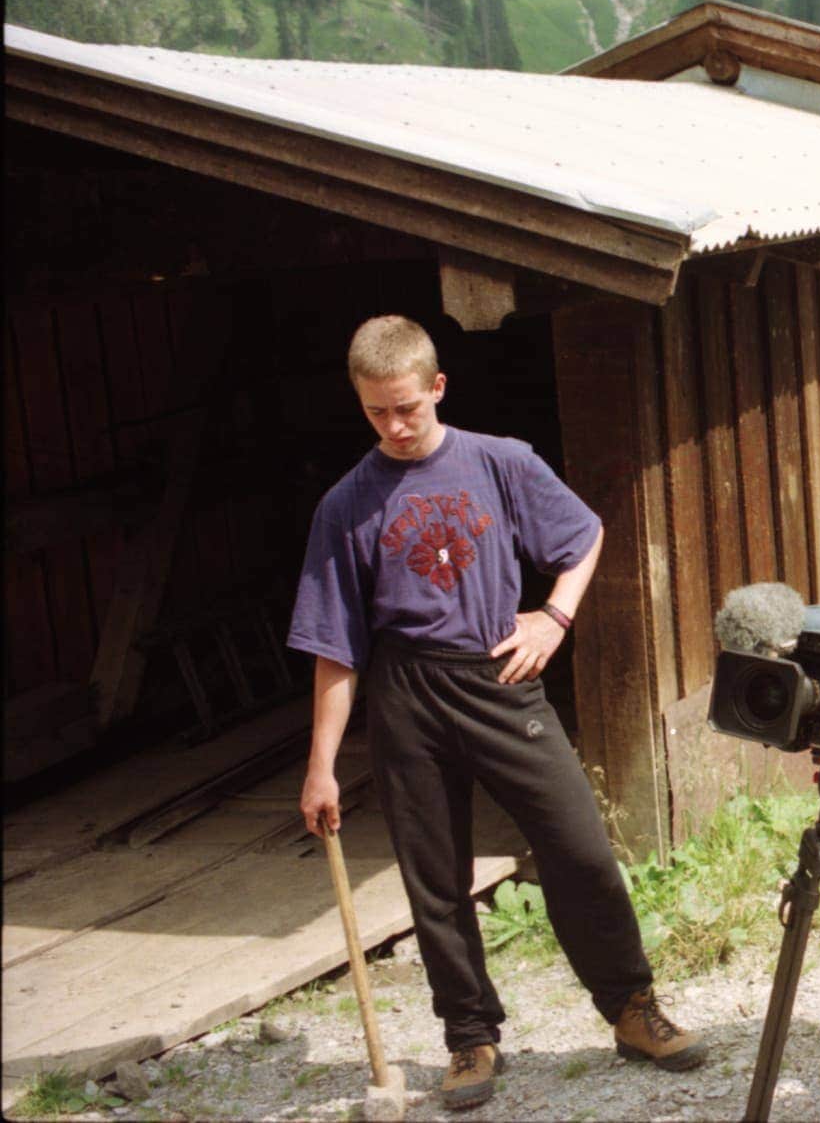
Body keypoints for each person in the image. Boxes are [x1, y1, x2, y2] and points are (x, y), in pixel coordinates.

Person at [289, 315, 706, 1111]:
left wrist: (553, 616)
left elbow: (584, 534)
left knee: (579, 847)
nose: (397, 425)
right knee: (434, 879)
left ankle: (630, 1008)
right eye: (377, 412)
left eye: (408, 406)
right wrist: (320, 769)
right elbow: (334, 646)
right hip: (406, 693)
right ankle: (469, 1039)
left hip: (497, 677)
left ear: (437, 386)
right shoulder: (345, 506)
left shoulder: (500, 462)